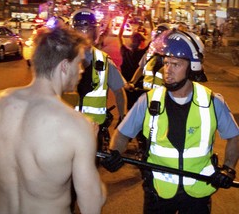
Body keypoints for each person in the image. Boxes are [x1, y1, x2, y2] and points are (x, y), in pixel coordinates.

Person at [0, 26, 106, 214]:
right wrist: (91, 143)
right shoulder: (76, 125)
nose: (81, 70)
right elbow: (92, 202)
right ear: (64, 66)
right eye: (79, 63)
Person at [101, 30, 239, 213]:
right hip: (158, 193)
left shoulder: (212, 101)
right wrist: (114, 153)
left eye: (175, 64)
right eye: (166, 63)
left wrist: (228, 169)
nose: (168, 70)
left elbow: (235, 136)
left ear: (192, 67)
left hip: (197, 195)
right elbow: (122, 134)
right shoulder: (148, 100)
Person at [70, 8, 127, 151]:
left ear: (94, 32)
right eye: (79, 28)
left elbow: (119, 92)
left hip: (93, 132)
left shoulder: (104, 60)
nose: (83, 33)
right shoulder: (61, 58)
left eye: (87, 29)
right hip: (65, 129)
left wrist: (123, 119)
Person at [118, 12, 148, 110]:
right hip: (137, 85)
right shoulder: (143, 53)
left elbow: (120, 36)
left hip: (127, 84)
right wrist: (150, 20)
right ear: (141, 42)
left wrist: (124, 19)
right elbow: (153, 38)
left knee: (128, 106)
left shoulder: (125, 52)